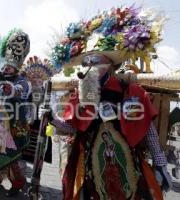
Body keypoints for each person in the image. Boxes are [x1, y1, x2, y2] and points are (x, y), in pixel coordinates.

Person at [42, 6, 172, 199]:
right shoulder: (80, 94)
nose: (88, 67)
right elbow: (72, 127)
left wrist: (160, 163)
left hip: (126, 164)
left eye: (94, 61)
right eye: (85, 63)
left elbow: (148, 130)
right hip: (92, 166)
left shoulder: (130, 91)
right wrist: (52, 117)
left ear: (109, 65)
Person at [0, 29, 31, 197]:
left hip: (14, 124)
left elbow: (18, 91)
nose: (6, 69)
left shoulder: (22, 81)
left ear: (16, 68)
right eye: (5, 66)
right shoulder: (1, 80)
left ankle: (18, 183)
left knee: (11, 156)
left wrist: (8, 86)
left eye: (9, 67)